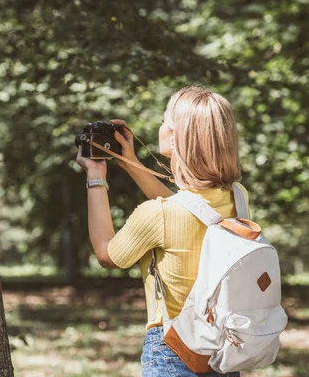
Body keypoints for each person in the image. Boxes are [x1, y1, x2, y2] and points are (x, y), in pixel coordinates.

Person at [76, 86, 246, 377]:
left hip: (173, 352)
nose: (160, 127)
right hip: (222, 349)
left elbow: (106, 254)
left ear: (175, 137)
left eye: (165, 121)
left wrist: (95, 177)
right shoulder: (238, 198)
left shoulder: (158, 214)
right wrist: (130, 161)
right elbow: (189, 207)